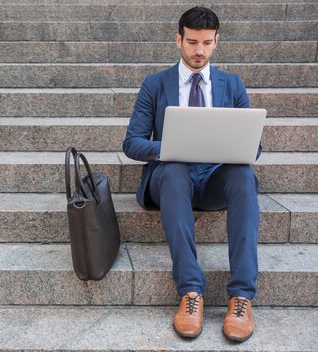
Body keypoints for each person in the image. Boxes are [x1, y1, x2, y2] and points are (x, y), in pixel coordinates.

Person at [122, 6, 259, 342]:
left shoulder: (232, 84)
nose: (200, 51)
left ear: (216, 41)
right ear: (178, 40)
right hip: (171, 179)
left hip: (214, 180)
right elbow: (132, 142)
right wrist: (167, 148)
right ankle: (190, 293)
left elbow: (254, 147)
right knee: (173, 169)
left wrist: (235, 147)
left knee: (243, 174)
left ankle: (241, 296)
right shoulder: (155, 84)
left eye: (207, 43)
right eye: (193, 42)